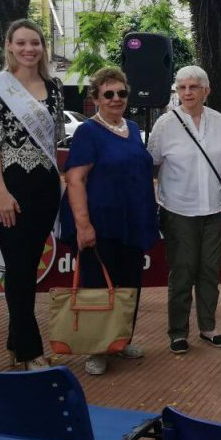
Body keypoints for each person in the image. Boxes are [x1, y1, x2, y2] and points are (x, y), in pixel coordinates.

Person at [60, 67, 158, 376]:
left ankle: (120, 340)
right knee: (97, 286)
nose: (116, 99)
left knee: (129, 284)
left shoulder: (131, 126)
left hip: (132, 220)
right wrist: (83, 225)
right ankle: (95, 349)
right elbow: (75, 179)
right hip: (100, 223)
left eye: (121, 93)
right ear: (96, 98)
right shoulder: (88, 131)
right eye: (108, 94)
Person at [0, 19, 65, 371]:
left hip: (44, 188)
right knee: (17, 267)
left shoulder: (55, 86)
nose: (29, 49)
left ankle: (15, 343)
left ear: (43, 47)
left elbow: (56, 138)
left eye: (35, 43)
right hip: (9, 188)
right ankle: (30, 350)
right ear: (9, 46)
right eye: (22, 43)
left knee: (28, 268)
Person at [147, 65, 221, 355]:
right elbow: (153, 164)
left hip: (215, 208)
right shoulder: (164, 124)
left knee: (209, 269)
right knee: (182, 270)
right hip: (178, 208)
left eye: (193, 87)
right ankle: (178, 332)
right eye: (181, 87)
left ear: (206, 90)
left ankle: (208, 328)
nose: (187, 93)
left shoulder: (219, 121)